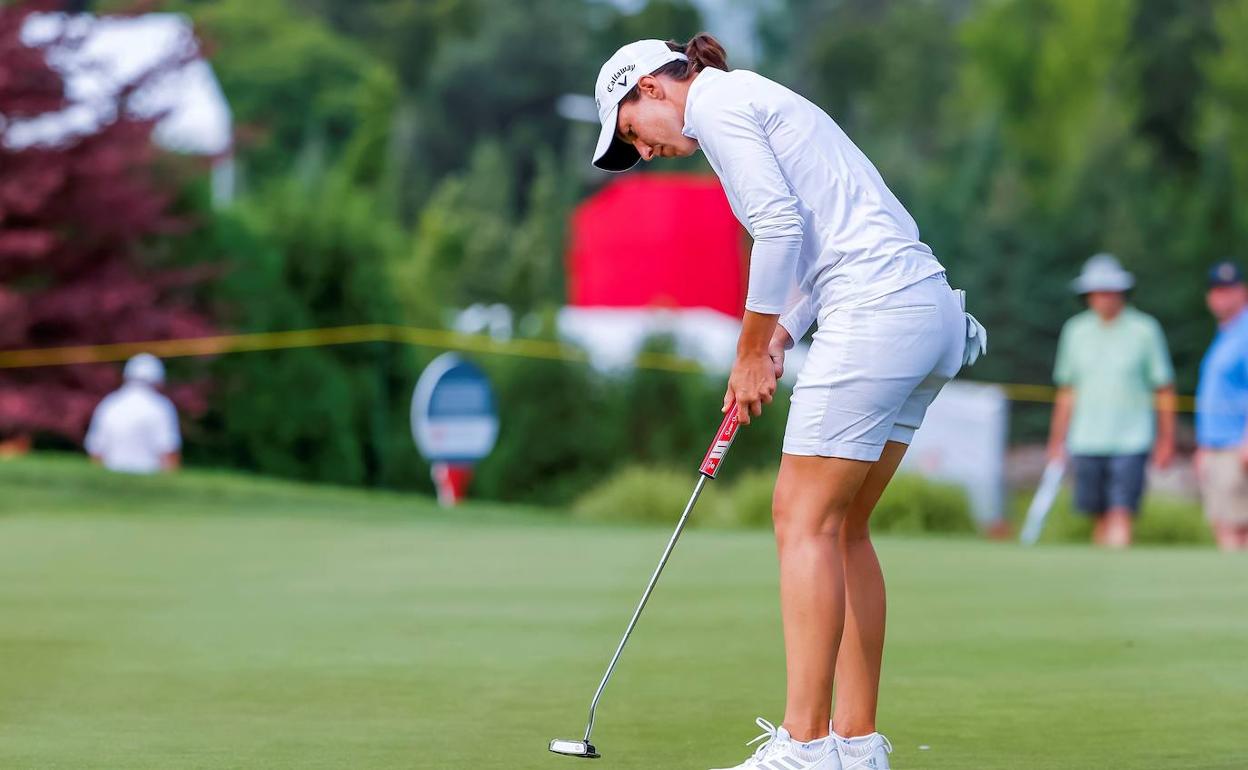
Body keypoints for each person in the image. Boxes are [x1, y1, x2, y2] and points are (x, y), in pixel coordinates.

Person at [590, 35, 986, 770]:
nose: (641, 152)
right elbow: (812, 237)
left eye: (630, 135)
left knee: (800, 520)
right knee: (843, 529)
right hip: (925, 313)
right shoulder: (751, 100)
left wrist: (747, 351)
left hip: (875, 313)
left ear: (648, 88)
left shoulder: (720, 103)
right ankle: (856, 744)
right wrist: (780, 335)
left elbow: (778, 228)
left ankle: (804, 748)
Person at [1045, 254, 1176, 548]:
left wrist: (1167, 439)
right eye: (1096, 292)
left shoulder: (1145, 330)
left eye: (1108, 291)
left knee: (1121, 512)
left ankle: (1120, 572)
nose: (1102, 298)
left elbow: (1163, 388)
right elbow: (1067, 391)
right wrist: (1056, 440)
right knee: (1098, 514)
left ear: (1120, 292)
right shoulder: (1075, 331)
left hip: (1132, 439)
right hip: (1086, 439)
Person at [1195, 260, 1248, 551]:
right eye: (1217, 290)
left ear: (1243, 292)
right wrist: (1204, 446)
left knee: (1239, 528)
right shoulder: (1224, 334)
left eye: (1229, 290)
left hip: (1236, 446)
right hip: (1216, 445)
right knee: (1223, 525)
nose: (1222, 297)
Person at [84, 353, 181, 474]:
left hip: (111, 477)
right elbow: (168, 452)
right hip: (149, 479)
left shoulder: (110, 404)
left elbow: (96, 450)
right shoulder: (161, 407)